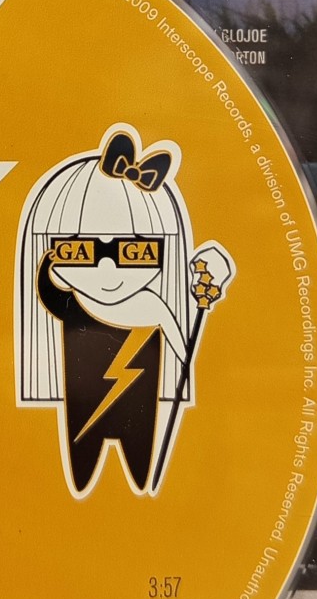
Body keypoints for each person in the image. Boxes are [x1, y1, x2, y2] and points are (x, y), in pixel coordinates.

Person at [17, 123, 232, 496]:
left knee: (141, 473)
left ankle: (142, 487)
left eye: (134, 252)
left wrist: (206, 290)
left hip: (139, 408)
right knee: (83, 471)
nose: (107, 267)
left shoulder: (155, 308)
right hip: (83, 414)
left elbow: (186, 353)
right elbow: (46, 290)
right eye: (79, 252)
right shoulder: (73, 303)